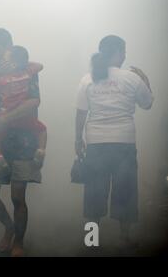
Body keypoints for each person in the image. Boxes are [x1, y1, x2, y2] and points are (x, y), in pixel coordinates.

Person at [75, 35, 154, 246]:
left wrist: (77, 140)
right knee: (125, 190)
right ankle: (124, 238)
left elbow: (81, 113)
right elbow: (147, 104)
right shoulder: (132, 78)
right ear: (118, 52)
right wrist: (145, 79)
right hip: (124, 143)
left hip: (96, 143)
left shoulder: (88, 78)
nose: (126, 55)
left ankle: (92, 240)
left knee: (94, 192)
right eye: (124, 51)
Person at [0, 28, 43, 257]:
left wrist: (5, 118)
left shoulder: (27, 69)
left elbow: (34, 101)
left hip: (25, 140)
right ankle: (9, 227)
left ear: (9, 47)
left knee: (18, 196)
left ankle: (19, 241)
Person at [0, 45, 47, 169]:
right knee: (41, 129)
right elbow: (40, 65)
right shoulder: (27, 73)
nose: (3, 61)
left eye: (6, 59)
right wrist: (23, 63)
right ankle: (41, 150)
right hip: (24, 115)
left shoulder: (3, 79)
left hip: (5, 113)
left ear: (12, 63)